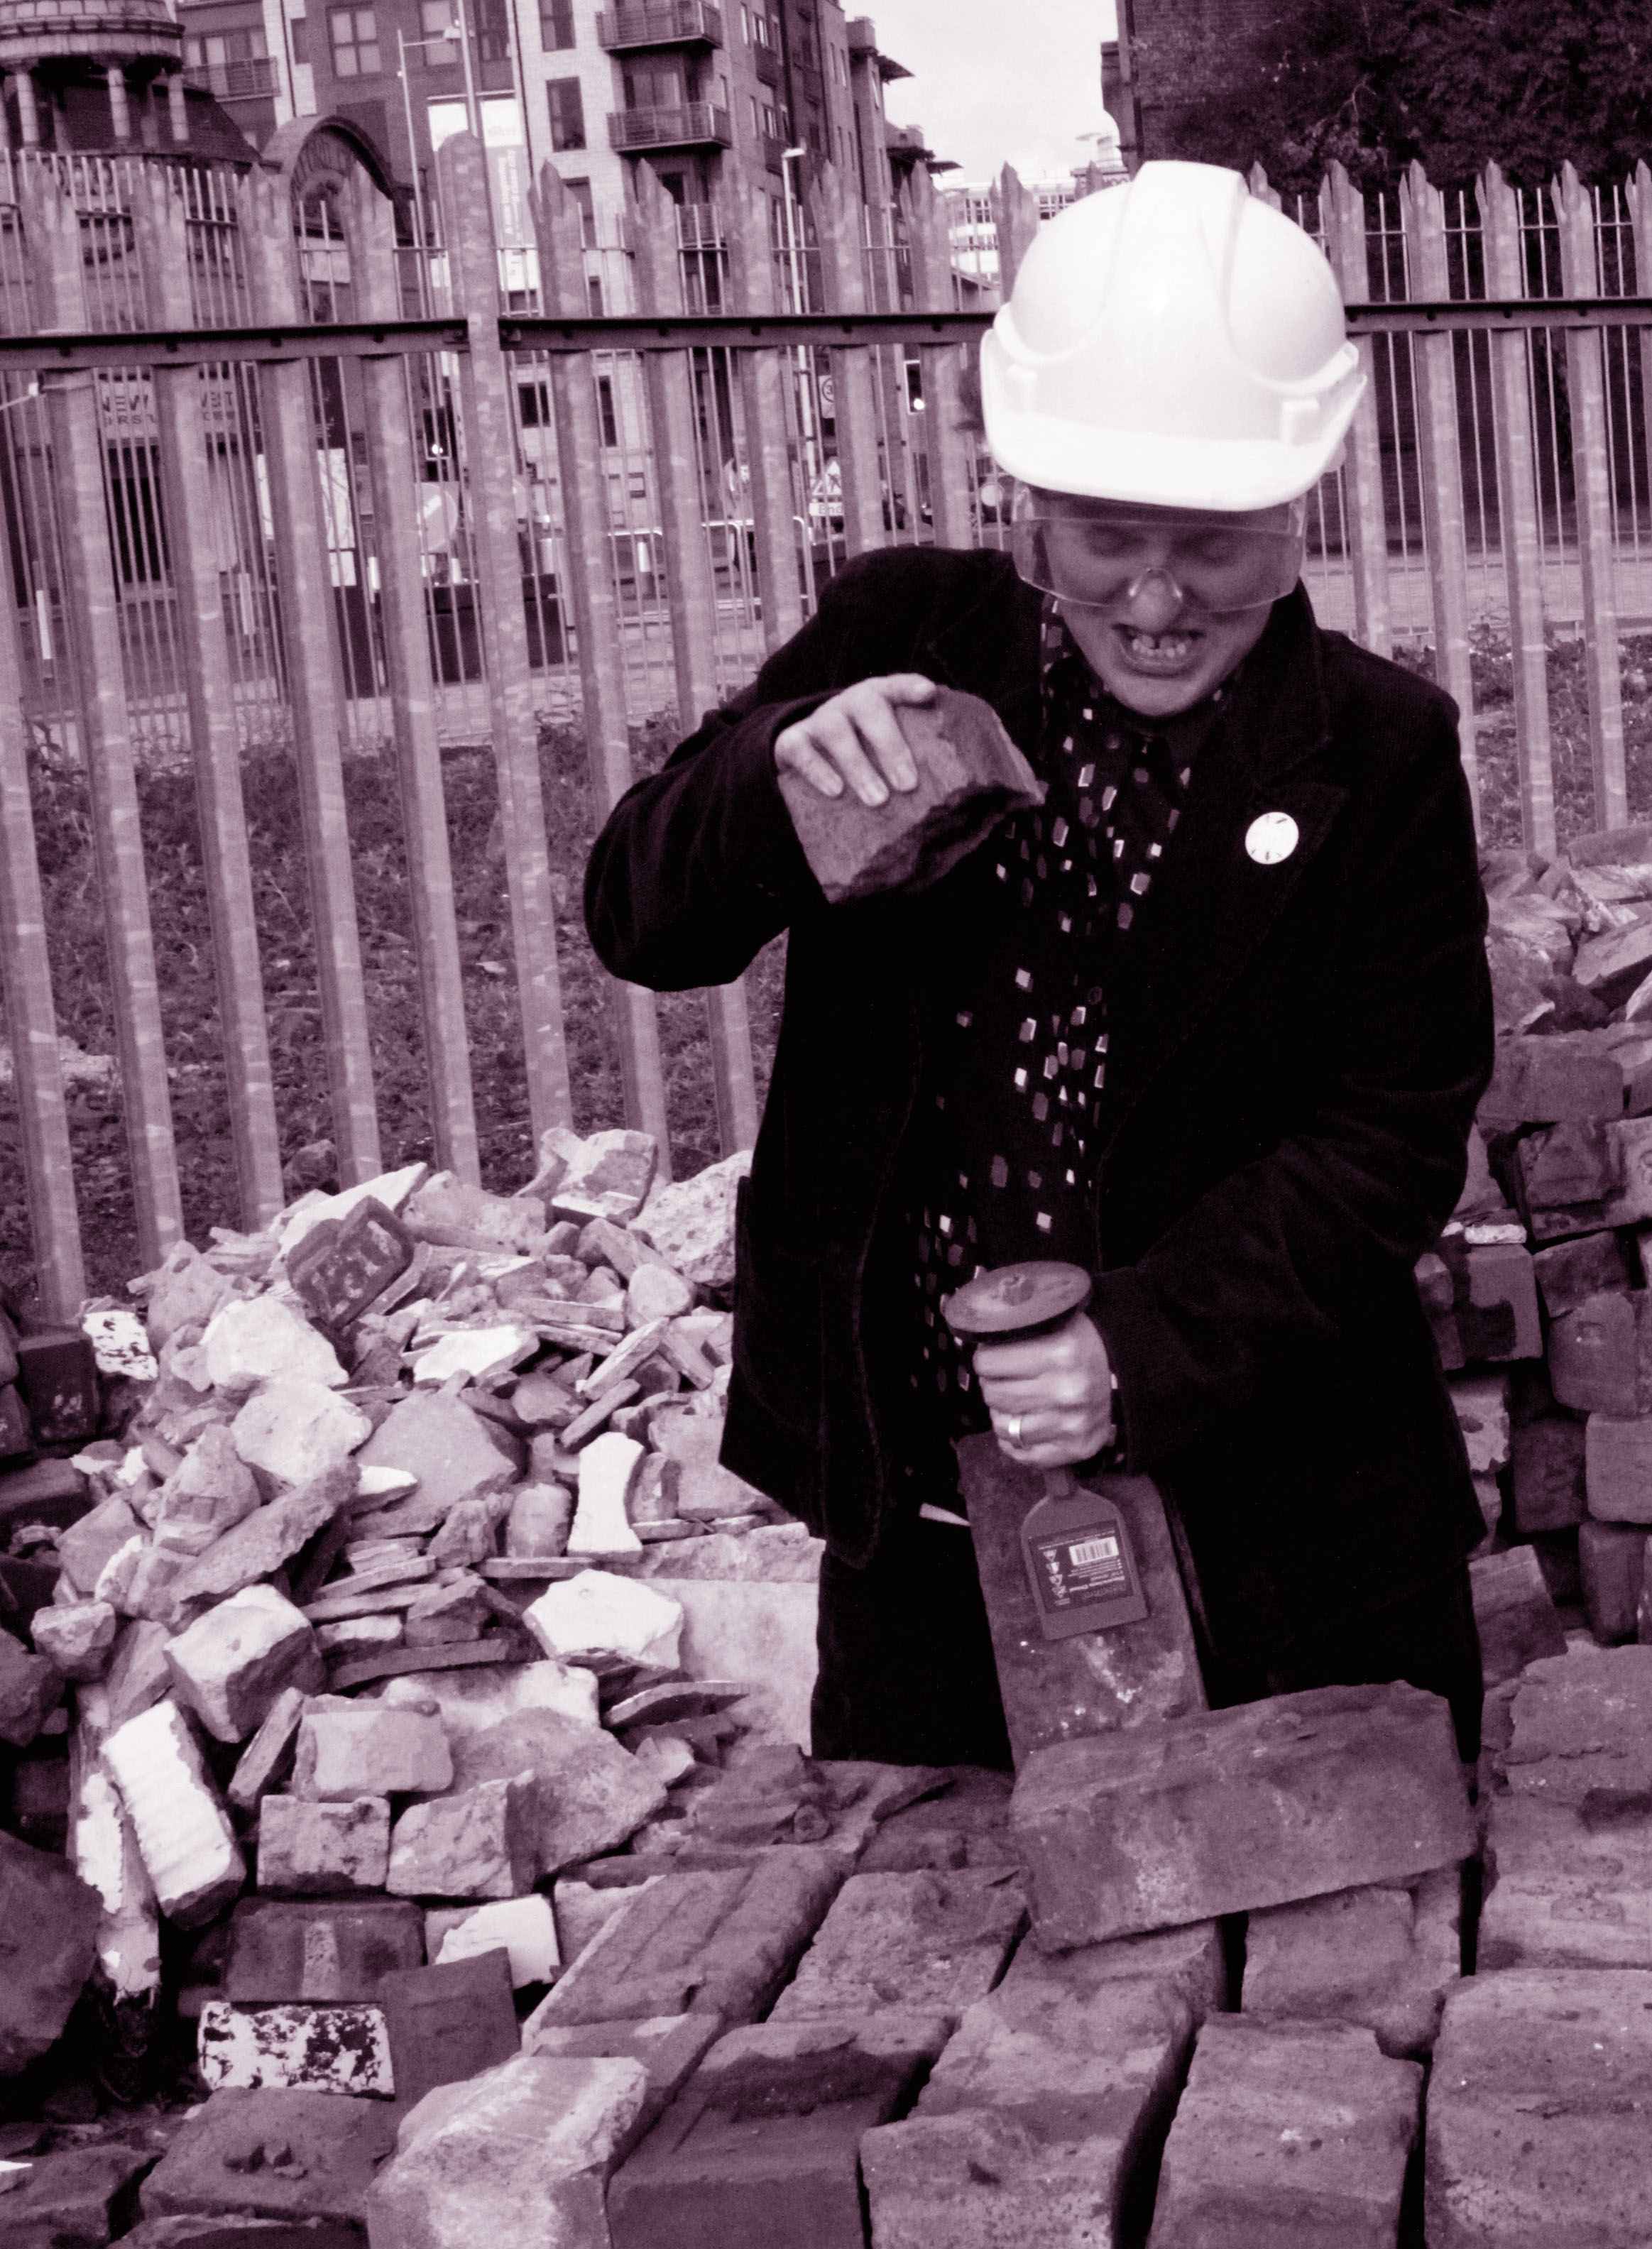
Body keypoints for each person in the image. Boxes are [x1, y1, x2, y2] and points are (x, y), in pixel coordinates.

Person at [585, 163, 1493, 1770]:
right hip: (933, 1544)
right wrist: (773, 776)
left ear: (1300, 509)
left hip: (1292, 1545)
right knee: (929, 1909)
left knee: (1343, 1913)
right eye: (1105, 539)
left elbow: (1391, 1131)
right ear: (1029, 504)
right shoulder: (905, 637)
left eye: (1215, 550)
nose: (1156, 600)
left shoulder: (1377, 748)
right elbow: (644, 918)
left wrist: (1139, 1347)